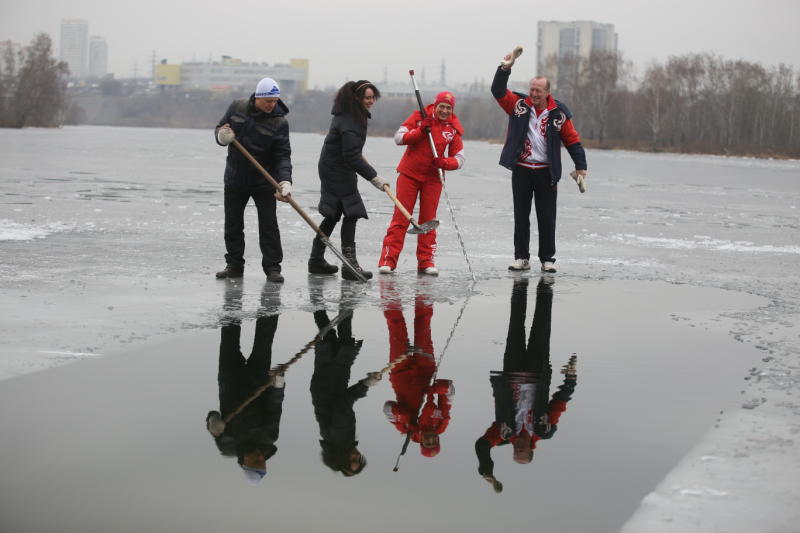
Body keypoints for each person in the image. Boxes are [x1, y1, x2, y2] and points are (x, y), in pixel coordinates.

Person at [474, 276, 577, 492]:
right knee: (542, 325)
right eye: (522, 451)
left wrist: (486, 468)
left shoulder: (504, 432)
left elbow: (482, 445)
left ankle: (519, 285)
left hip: (512, 370)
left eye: (515, 452)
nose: (518, 448)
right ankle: (546, 285)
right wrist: (570, 381)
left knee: (515, 323)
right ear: (531, 449)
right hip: (536, 372)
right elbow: (558, 405)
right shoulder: (543, 430)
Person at [491, 50, 588, 273]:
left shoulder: (559, 112)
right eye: (532, 89)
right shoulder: (518, 105)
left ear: (547, 92)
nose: (533, 94)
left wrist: (581, 166)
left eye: (538, 91)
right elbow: (497, 91)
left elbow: (572, 140)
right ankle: (521, 258)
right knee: (521, 216)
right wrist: (505, 68)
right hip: (522, 170)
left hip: (546, 172)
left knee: (546, 218)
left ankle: (547, 259)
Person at [205, 281, 286, 484]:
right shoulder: (269, 437)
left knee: (230, 331)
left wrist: (214, 424)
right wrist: (278, 384)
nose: (261, 457)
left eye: (256, 461)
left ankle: (233, 293)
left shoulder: (227, 445)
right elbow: (274, 407)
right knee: (265, 336)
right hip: (259, 380)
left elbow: (212, 417)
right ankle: (271, 296)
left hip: (229, 378)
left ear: (245, 463)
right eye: (263, 461)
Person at [309, 80, 389, 281]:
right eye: (367, 98)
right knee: (351, 212)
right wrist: (375, 178)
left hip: (335, 166)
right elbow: (352, 155)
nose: (371, 101)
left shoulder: (352, 115)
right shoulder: (350, 120)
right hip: (336, 169)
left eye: (373, 98)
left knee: (333, 214)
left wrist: (358, 157)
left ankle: (316, 260)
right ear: (357, 98)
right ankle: (349, 266)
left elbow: (352, 151)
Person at [214, 77, 292, 283]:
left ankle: (273, 268)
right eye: (268, 101)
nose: (272, 105)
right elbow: (220, 127)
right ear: (258, 97)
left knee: (269, 226)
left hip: (263, 182)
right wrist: (222, 136)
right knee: (233, 224)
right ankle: (234, 266)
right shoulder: (237, 107)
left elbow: (283, 155)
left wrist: (284, 181)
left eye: (275, 101)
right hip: (235, 178)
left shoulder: (279, 122)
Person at [378, 91, 465, 276]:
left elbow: (459, 158)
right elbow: (399, 138)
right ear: (435, 105)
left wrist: (445, 163)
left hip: (433, 180)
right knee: (401, 218)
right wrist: (419, 131)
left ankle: (426, 261)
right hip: (409, 174)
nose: (444, 110)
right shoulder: (419, 117)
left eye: (448, 108)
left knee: (428, 221)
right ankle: (388, 260)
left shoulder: (453, 128)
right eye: (441, 106)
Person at [380, 279, 454, 459]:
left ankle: (388, 288)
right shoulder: (441, 424)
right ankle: (424, 288)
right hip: (425, 370)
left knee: (395, 326)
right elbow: (450, 392)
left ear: (421, 442)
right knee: (423, 323)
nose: (431, 439)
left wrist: (404, 416)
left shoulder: (405, 430)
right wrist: (437, 389)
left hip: (401, 374)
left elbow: (387, 408)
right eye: (434, 442)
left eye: (427, 443)